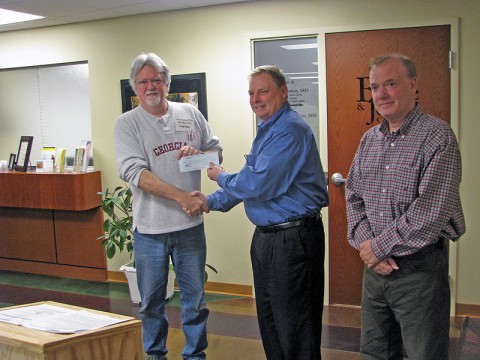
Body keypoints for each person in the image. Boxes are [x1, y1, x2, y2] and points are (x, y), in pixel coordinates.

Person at [345, 53, 466, 360]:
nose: (381, 94)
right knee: (374, 352)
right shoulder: (368, 140)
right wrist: (367, 248)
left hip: (419, 272)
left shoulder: (438, 137)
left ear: (413, 86)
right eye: (374, 87)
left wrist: (377, 248)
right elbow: (354, 198)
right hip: (375, 272)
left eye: (391, 84)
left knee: (423, 354)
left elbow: (430, 212)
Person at [204, 65, 329, 360]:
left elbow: (259, 183)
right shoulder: (268, 129)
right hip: (269, 240)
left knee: (295, 329)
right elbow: (252, 180)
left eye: (263, 91)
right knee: (272, 324)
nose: (256, 99)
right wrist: (210, 202)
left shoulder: (289, 129)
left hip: (293, 239)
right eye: (251, 93)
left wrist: (220, 176)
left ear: (283, 93)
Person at [115, 52, 222, 360]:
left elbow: (216, 153)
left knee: (195, 301)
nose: (151, 86)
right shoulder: (127, 124)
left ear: (167, 84)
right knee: (150, 304)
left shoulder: (190, 113)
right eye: (144, 81)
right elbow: (135, 173)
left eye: (157, 80)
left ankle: (194, 356)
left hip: (190, 229)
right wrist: (182, 197)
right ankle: (155, 355)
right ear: (135, 87)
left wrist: (198, 152)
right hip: (150, 231)